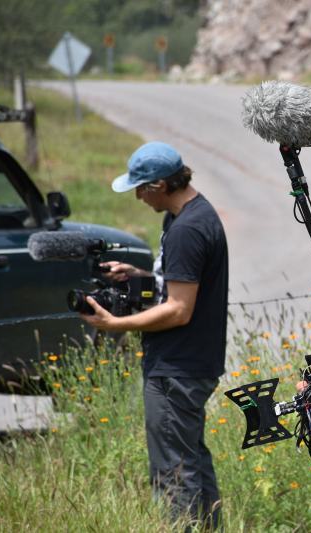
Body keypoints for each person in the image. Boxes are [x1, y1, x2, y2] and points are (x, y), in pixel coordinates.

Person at [80, 141, 228, 529]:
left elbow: (179, 310)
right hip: (192, 362)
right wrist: (140, 276)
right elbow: (179, 285)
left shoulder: (188, 229)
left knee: (174, 473)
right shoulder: (190, 216)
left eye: (141, 188)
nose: (138, 197)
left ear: (161, 185)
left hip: (177, 367)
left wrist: (115, 325)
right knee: (191, 459)